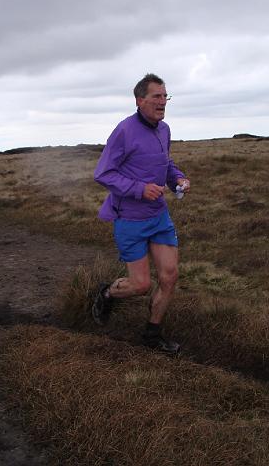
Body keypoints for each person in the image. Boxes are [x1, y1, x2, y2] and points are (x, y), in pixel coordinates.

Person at [92, 73, 190, 354]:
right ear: (140, 100)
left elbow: (165, 163)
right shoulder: (124, 131)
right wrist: (139, 189)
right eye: (156, 97)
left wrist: (178, 180)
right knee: (140, 284)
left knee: (169, 276)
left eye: (165, 97)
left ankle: (151, 335)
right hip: (130, 219)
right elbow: (103, 173)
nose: (162, 102)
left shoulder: (164, 129)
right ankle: (107, 293)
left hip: (159, 216)